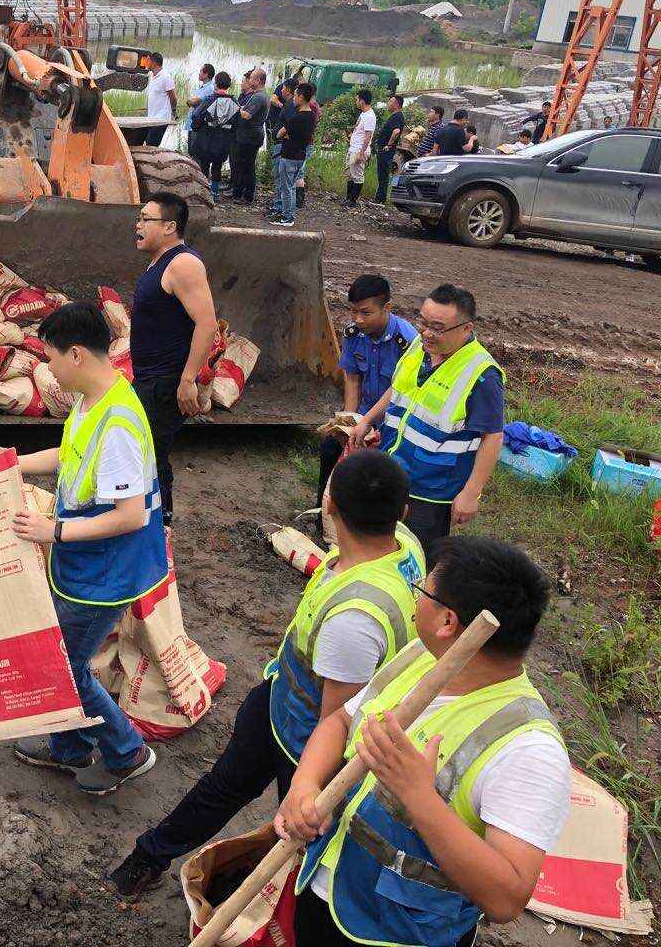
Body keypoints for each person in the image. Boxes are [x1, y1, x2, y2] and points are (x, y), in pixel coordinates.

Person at [109, 451, 424, 896]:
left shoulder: (355, 620)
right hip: (279, 703)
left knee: (293, 831)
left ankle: (245, 890)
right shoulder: (405, 544)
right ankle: (150, 856)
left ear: (328, 504)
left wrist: (309, 786)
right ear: (403, 511)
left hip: (306, 742)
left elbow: (336, 720)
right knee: (224, 786)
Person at [275, 536, 570, 947]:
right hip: (330, 886)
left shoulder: (528, 751)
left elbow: (507, 898)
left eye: (422, 592)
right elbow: (341, 721)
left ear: (448, 621)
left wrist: (418, 795)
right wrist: (304, 784)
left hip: (397, 934)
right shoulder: (423, 655)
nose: (415, 600)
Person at [9, 302, 165, 796]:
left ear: (76, 354)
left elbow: (129, 515)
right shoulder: (91, 400)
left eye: (51, 357)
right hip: (85, 562)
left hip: (107, 570)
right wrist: (9, 463)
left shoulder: (117, 423)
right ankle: (69, 748)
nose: (48, 369)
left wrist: (51, 531)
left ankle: (126, 752)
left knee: (68, 667)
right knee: (61, 655)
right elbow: (67, 454)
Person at [351, 284, 504, 552]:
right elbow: (398, 389)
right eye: (422, 322)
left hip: (431, 489)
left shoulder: (482, 374)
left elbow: (493, 436)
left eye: (437, 327)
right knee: (384, 546)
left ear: (466, 328)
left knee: (418, 557)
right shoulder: (419, 347)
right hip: (393, 470)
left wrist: (471, 493)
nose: (427, 333)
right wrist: (367, 420)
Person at [129, 192, 218, 526]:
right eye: (138, 219)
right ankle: (150, 521)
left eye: (145, 219)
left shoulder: (183, 263)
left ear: (169, 226)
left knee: (151, 455)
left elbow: (207, 322)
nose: (137, 226)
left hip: (167, 381)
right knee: (146, 452)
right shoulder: (159, 262)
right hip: (149, 378)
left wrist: (187, 379)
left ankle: (160, 523)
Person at [317, 275, 417, 506]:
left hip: (393, 423)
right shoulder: (353, 334)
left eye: (365, 312)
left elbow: (398, 389)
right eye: (353, 311)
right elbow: (352, 378)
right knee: (331, 447)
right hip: (364, 417)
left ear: (387, 308)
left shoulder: (407, 341)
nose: (358, 319)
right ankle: (322, 511)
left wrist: (367, 423)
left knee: (374, 474)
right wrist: (348, 421)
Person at [187, 71, 241, 197]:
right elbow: (238, 122)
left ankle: (204, 192)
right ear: (228, 85)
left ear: (216, 83)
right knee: (217, 166)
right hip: (224, 141)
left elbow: (196, 115)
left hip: (207, 139)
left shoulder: (210, 99)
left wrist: (196, 127)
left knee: (204, 166)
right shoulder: (234, 102)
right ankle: (215, 192)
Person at [270, 82, 316, 227]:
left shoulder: (297, 118)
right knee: (291, 187)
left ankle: (287, 217)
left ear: (301, 97)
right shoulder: (311, 116)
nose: (294, 98)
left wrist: (286, 135)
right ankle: (288, 214)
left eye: (295, 96)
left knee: (286, 187)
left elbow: (279, 134)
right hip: (300, 156)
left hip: (289, 156)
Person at [229, 68, 269, 204]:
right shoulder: (257, 94)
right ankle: (238, 192)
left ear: (258, 80)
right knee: (242, 165)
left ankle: (247, 196)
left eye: (251, 78)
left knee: (247, 166)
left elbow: (246, 115)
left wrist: (238, 107)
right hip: (248, 135)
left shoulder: (259, 97)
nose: (249, 80)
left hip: (250, 137)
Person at [345, 89, 377, 206]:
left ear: (362, 101)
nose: (356, 102)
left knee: (358, 175)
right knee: (349, 174)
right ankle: (348, 198)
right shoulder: (363, 114)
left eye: (357, 99)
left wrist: (361, 152)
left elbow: (368, 136)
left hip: (359, 150)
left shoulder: (369, 116)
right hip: (354, 148)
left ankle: (353, 200)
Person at [373, 94, 405, 204]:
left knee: (383, 174)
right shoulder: (396, 116)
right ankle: (380, 197)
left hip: (386, 150)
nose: (388, 104)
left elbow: (396, 132)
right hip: (386, 149)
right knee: (382, 173)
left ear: (396, 104)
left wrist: (388, 145)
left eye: (390, 101)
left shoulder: (397, 116)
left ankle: (380, 199)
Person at [143, 52, 176, 147]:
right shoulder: (152, 76)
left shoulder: (166, 77)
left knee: (152, 145)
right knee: (147, 143)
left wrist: (173, 111)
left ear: (154, 63)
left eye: (148, 61)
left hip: (161, 119)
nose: (147, 63)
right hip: (151, 118)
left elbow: (173, 97)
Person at [182, 63, 216, 145]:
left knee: (195, 150)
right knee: (191, 149)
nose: (199, 73)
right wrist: (190, 101)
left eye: (201, 71)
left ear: (206, 74)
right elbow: (192, 101)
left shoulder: (209, 88)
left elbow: (193, 101)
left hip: (198, 125)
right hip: (193, 123)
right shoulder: (202, 87)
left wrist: (190, 101)